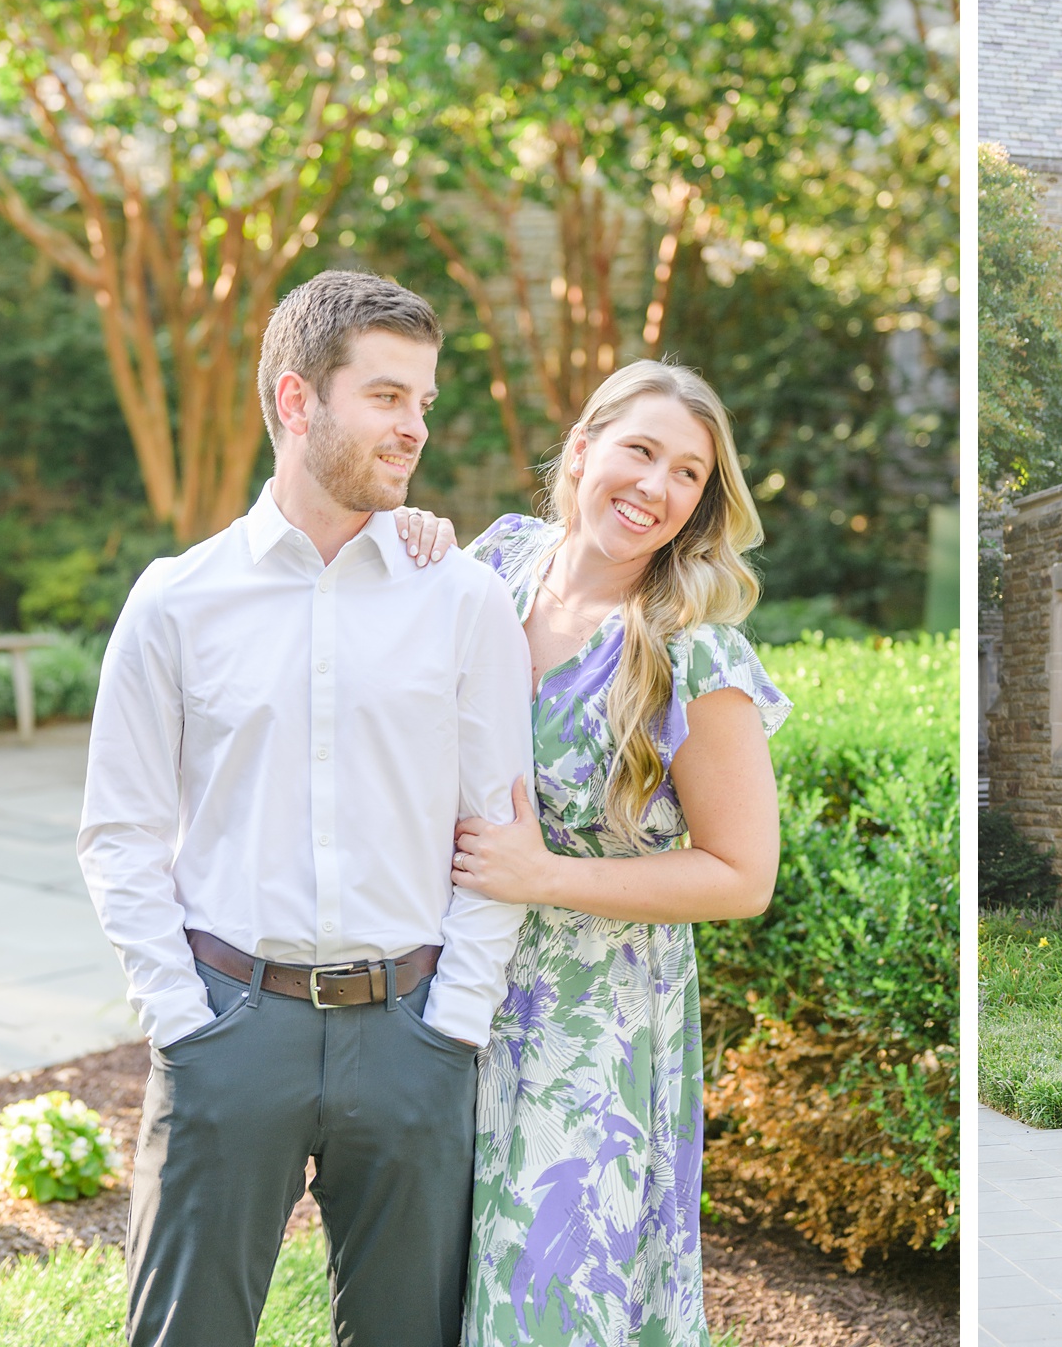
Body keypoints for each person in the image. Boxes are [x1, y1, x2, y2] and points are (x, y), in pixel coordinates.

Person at [77, 271, 535, 1347]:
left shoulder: (462, 595)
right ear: (296, 401)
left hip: (412, 1032)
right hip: (231, 1024)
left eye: (422, 401)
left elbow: (499, 828)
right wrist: (182, 1021)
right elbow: (121, 831)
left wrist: (455, 1022)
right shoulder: (176, 599)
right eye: (386, 397)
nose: (413, 426)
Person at [392, 359, 787, 1347]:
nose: (657, 487)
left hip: (590, 1027)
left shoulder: (693, 653)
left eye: (689, 473)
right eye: (641, 451)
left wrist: (542, 876)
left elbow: (743, 875)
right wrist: (403, 540)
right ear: (582, 451)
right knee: (425, 1286)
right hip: (439, 990)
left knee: (550, 1303)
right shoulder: (497, 564)